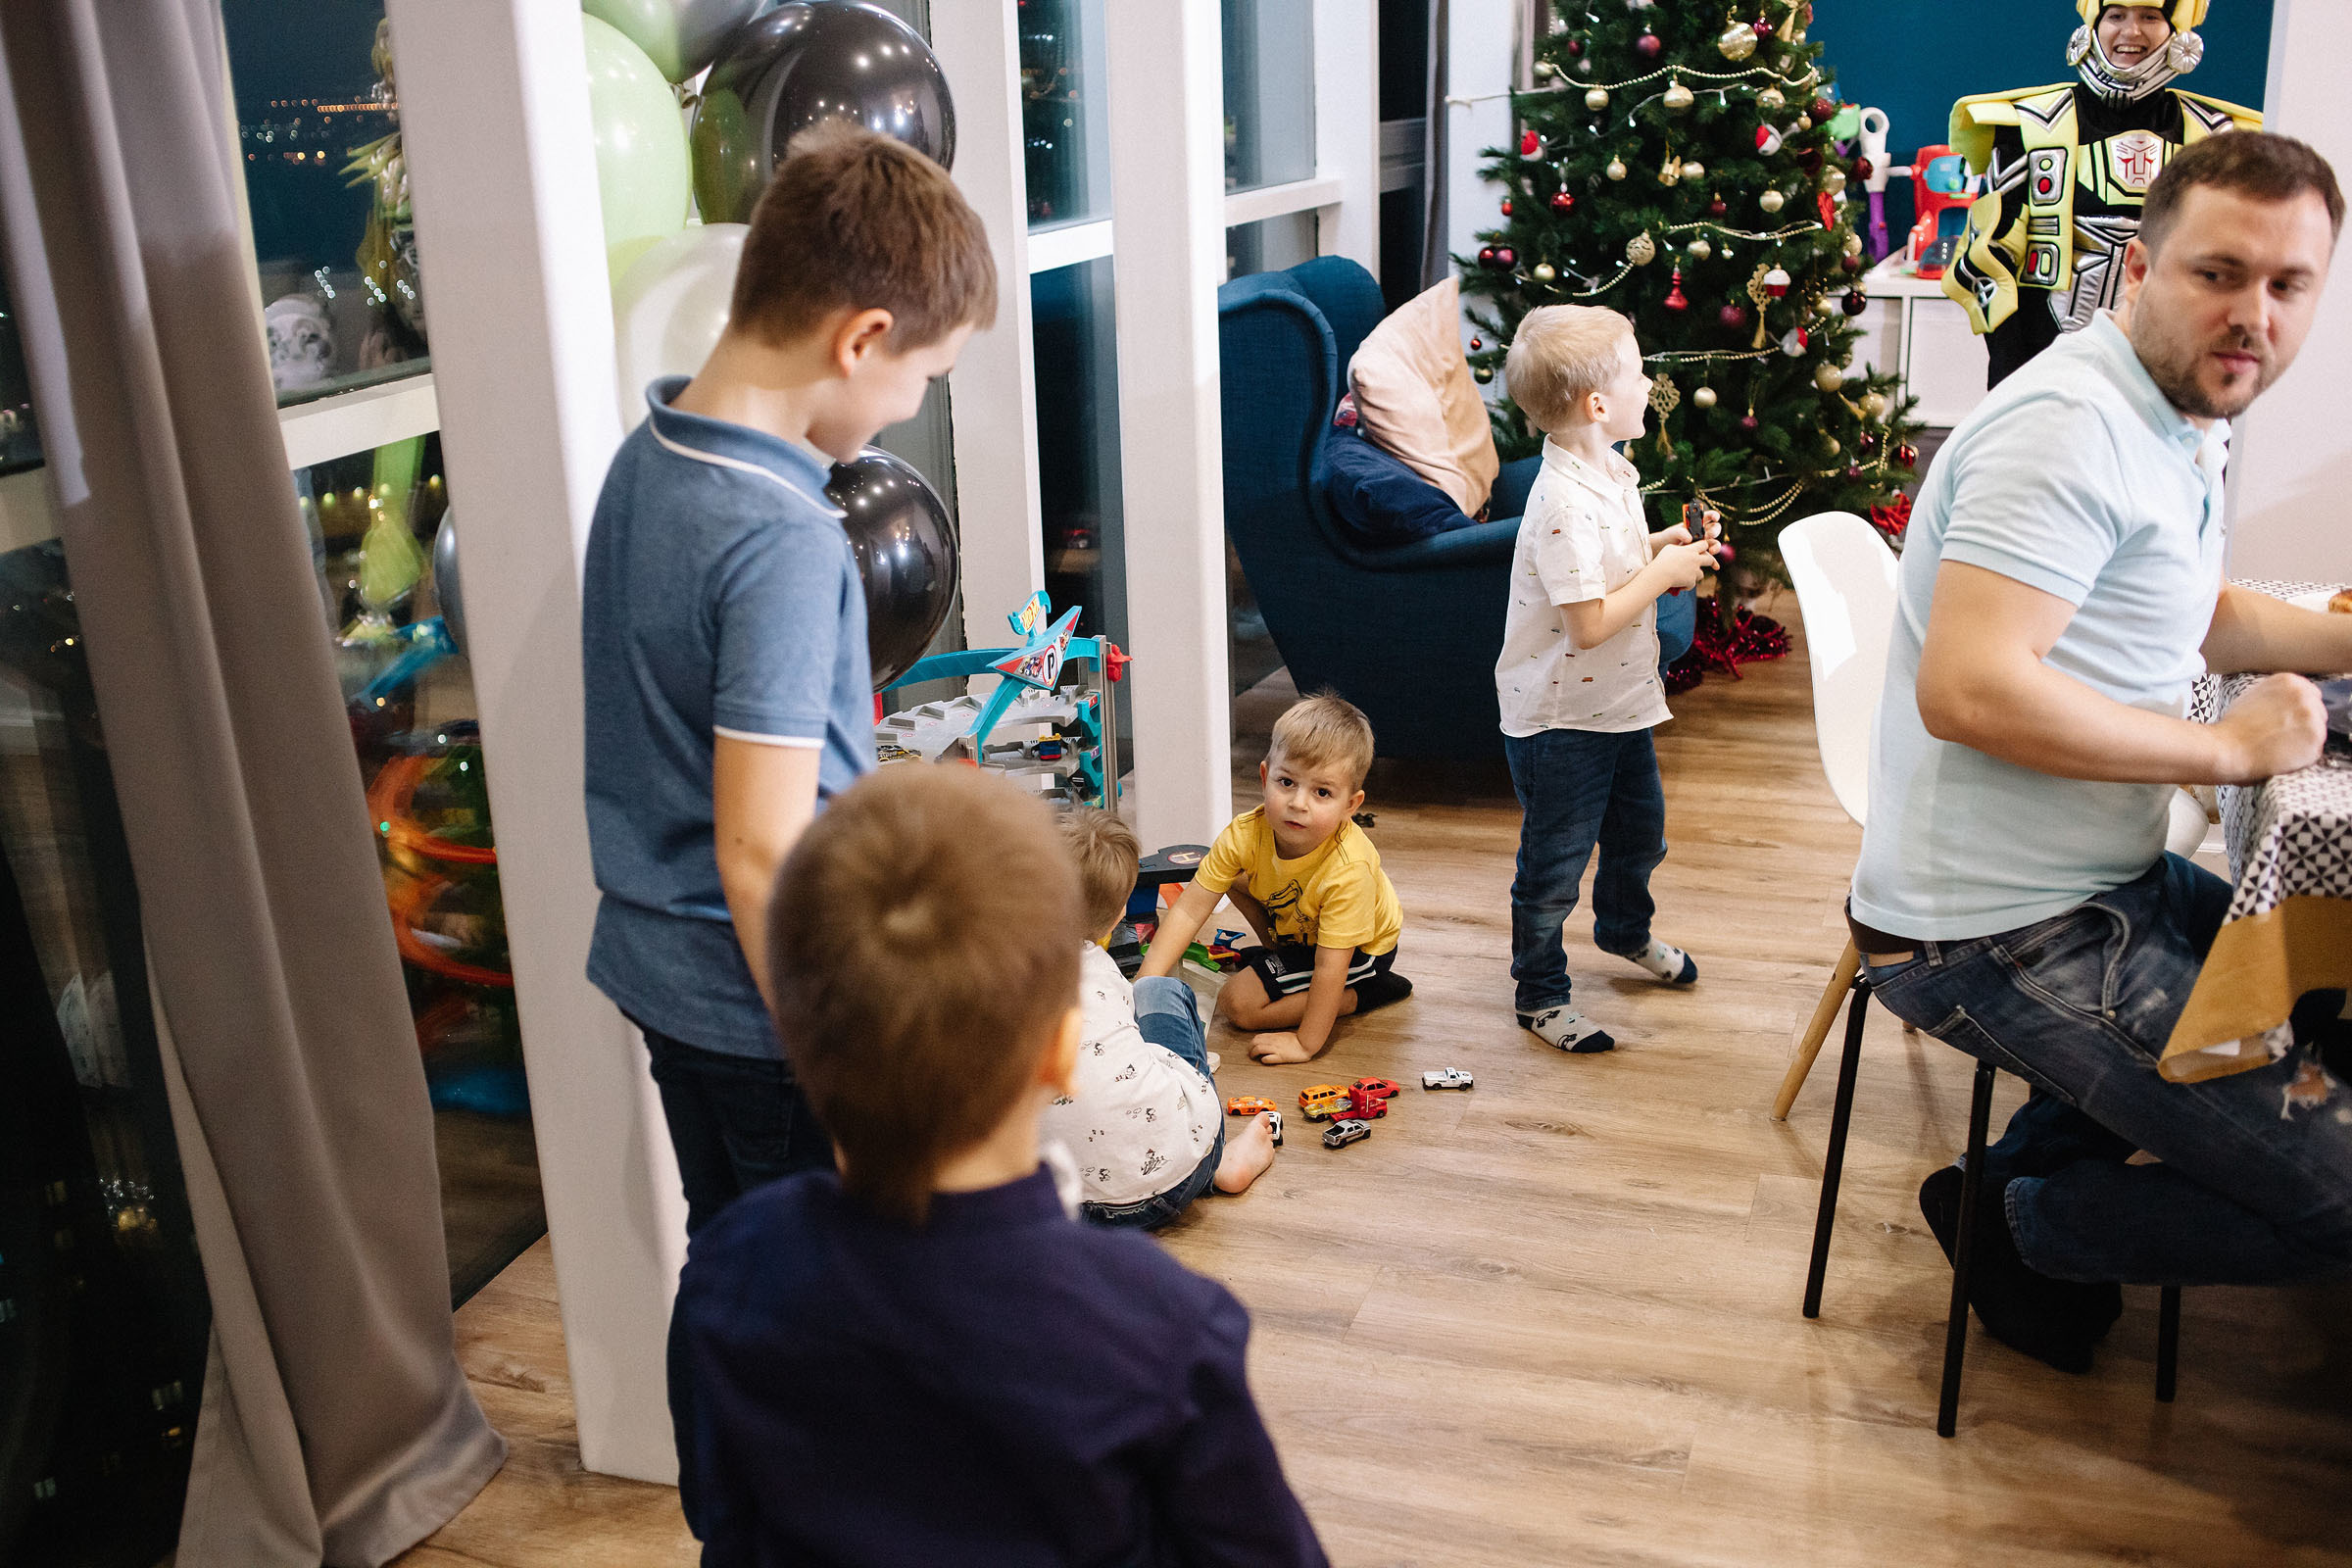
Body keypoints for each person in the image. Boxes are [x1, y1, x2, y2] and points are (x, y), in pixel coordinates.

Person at [1850, 132, 2352, 1374]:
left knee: (2330, 992)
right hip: (1988, 935)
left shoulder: (2174, 410)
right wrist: (2228, 749)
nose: (2254, 316)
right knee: (2343, 1197)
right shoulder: (2068, 431)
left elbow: (2192, 609)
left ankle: (2050, 1153)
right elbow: (1969, 690)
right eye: (2219, 273)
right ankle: (2024, 1223)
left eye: (2289, 287)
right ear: (2139, 268)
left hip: (2095, 887)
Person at [669, 765, 1329, 1566]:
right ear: (1060, 1051)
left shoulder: (735, 1266)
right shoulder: (1159, 1321)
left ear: (797, 1049)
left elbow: (727, 1526)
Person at [580, 123, 995, 1238]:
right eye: (925, 374)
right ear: (862, 339)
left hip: (672, 978)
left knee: (733, 1280)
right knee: (815, 1326)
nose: (912, 407)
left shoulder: (651, 455)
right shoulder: (782, 536)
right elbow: (761, 846)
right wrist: (847, 1072)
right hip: (769, 1015)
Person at [1493, 305, 1716, 1055]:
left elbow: (1608, 564)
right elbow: (1588, 624)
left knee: (1637, 839)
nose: (1648, 382)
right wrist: (1663, 574)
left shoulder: (1611, 473)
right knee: (1554, 867)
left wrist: (1659, 544)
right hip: (1562, 724)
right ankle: (1541, 994)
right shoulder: (1561, 502)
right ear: (1597, 404)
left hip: (1619, 707)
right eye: (1637, 371)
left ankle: (1625, 932)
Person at [1944, 1, 2261, 387]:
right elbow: (1988, 258)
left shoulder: (2219, 140)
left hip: (2170, 375)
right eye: (2116, 16)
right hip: (2042, 368)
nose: (2131, 32)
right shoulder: (2026, 124)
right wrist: (2014, 375)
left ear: (2177, 31)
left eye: (2150, 16)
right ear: (2094, 24)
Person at [1141, 694, 1409, 1065]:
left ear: (1351, 805)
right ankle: (1283, 956)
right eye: (1287, 782)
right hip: (1301, 927)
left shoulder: (1349, 870)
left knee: (1239, 1005)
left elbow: (1330, 971)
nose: (1299, 803)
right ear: (1266, 776)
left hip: (1359, 951)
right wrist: (1142, 988)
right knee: (1228, 876)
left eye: (1322, 792)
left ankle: (1360, 995)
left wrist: (1305, 1044)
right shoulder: (1245, 833)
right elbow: (1188, 911)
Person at [1042, 808, 1279, 1224]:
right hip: (1175, 1180)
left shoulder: (994, 978)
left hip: (1062, 1206)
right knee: (1157, 989)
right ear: (1117, 917)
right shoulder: (1099, 967)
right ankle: (1218, 1165)